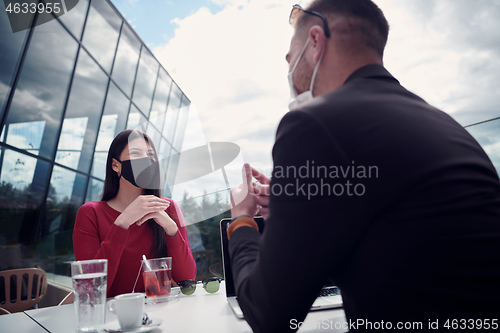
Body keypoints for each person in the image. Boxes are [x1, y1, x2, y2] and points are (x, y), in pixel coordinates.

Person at [228, 1, 500, 332]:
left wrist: (242, 220)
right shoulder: (444, 123)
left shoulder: (313, 124)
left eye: (289, 57)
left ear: (315, 42)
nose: (289, 71)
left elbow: (270, 316)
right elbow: (402, 257)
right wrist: (295, 210)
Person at [73, 130, 196, 297]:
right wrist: (123, 222)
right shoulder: (90, 213)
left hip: (159, 311)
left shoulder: (168, 208)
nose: (146, 161)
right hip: (112, 317)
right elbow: (90, 289)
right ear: (116, 165)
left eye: (150, 155)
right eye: (136, 154)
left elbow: (187, 278)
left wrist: (171, 228)